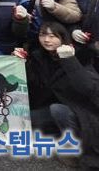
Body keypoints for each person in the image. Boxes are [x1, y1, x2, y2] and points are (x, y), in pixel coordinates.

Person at [15, 21, 99, 169]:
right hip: (52, 104)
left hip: (80, 109)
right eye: (43, 35)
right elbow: (35, 85)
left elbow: (88, 88)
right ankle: (59, 133)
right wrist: (21, 63)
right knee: (26, 121)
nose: (47, 40)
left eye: (53, 36)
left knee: (58, 110)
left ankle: (73, 147)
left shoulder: (80, 56)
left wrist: (70, 60)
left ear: (63, 38)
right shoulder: (40, 57)